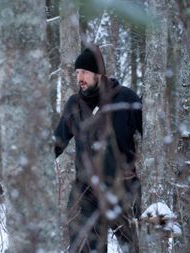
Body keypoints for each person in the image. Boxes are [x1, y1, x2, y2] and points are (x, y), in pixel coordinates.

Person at [54, 44, 142, 253]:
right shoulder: (74, 105)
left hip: (123, 189)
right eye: (77, 72)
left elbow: (152, 134)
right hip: (86, 193)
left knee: (132, 248)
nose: (79, 78)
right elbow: (56, 143)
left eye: (84, 72)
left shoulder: (126, 98)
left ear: (99, 74)